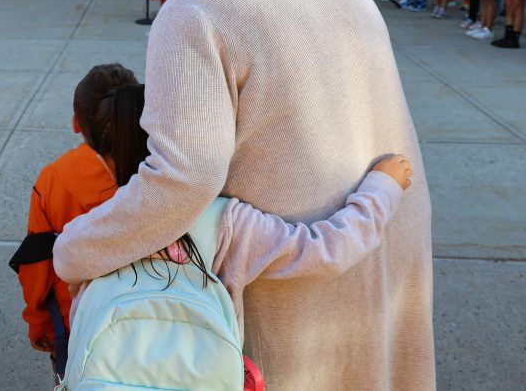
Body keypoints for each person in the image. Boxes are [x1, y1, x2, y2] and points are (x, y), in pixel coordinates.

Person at [53, 0, 435, 390]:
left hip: (299, 267)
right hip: (384, 222)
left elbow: (182, 178)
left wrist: (76, 248)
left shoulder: (194, 8)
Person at [62, 79, 412, 390]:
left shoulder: (88, 235)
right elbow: (326, 250)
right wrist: (382, 188)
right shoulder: (225, 223)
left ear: (106, 158)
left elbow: (70, 284)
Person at [14, 65, 129, 380]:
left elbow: (36, 264)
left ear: (76, 123)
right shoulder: (161, 169)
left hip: (76, 325)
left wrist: (38, 323)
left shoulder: (53, 180)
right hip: (153, 318)